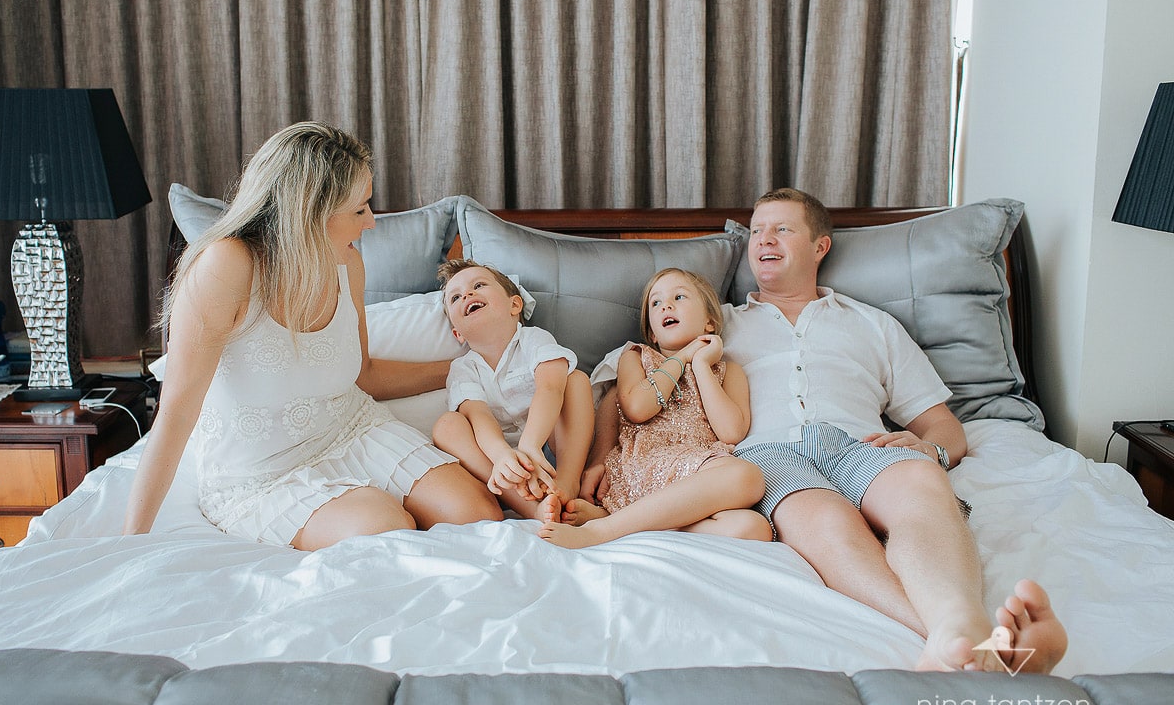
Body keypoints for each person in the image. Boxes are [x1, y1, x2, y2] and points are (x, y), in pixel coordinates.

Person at [722, 187, 1067, 673]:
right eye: (757, 230)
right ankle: (960, 640)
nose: (763, 240)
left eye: (782, 228)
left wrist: (930, 449)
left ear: (820, 246)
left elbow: (944, 426)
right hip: (768, 455)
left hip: (859, 445)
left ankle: (959, 629)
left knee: (921, 486)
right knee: (820, 519)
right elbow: (634, 372)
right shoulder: (719, 324)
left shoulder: (873, 324)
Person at [123, 122, 502, 549]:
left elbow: (367, 375)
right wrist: (129, 543)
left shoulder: (347, 264)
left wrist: (466, 366)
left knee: (478, 519)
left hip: (352, 430)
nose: (371, 222)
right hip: (262, 474)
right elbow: (175, 413)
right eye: (360, 209)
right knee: (385, 530)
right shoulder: (225, 266)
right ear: (309, 212)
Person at [539, 268, 770, 548]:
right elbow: (638, 407)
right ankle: (603, 530)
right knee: (747, 477)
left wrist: (700, 366)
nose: (667, 306)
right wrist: (682, 357)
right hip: (642, 465)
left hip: (697, 475)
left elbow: (731, 432)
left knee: (754, 528)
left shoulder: (727, 371)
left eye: (679, 297)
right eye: (656, 303)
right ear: (652, 332)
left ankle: (632, 521)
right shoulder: (636, 358)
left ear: (710, 322)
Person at [431, 259, 594, 521]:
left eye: (479, 285)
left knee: (575, 380)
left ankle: (567, 483)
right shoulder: (463, 368)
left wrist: (531, 445)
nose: (468, 295)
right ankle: (531, 508)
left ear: (514, 305)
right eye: (456, 297)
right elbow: (479, 416)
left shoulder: (534, 340)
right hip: (499, 467)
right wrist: (502, 458)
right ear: (457, 333)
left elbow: (550, 388)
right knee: (447, 424)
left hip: (549, 447)